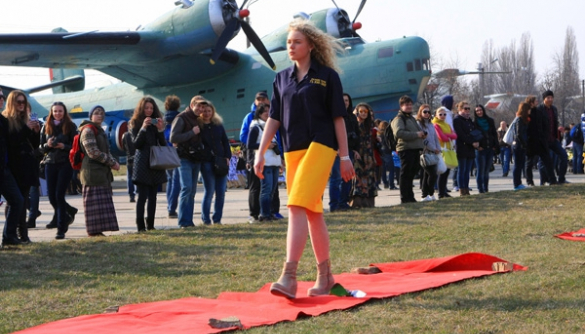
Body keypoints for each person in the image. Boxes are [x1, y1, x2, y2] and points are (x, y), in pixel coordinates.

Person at [254, 19, 354, 299]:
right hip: (292, 150)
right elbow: (273, 118)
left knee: (296, 206)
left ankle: (289, 276)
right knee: (312, 212)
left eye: (297, 42)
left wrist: (344, 156)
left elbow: (338, 118)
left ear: (311, 45)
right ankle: (325, 277)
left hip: (321, 146)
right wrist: (260, 152)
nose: (291, 46)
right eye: (288, 43)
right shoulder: (281, 78)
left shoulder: (327, 76)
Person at [2, 90, 40, 243]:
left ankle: (22, 235)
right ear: (11, 103)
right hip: (14, 166)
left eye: (24, 102)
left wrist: (36, 132)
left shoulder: (26, 120)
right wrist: (26, 128)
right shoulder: (7, 120)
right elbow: (13, 142)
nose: (22, 105)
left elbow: (33, 145)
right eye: (18, 102)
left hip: (27, 166)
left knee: (22, 200)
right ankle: (14, 234)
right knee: (16, 201)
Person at [79, 105, 120, 237]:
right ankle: (93, 231)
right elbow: (93, 152)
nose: (100, 115)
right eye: (96, 113)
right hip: (91, 172)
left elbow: (105, 151)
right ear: (91, 116)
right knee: (93, 205)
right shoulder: (88, 130)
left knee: (101, 204)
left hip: (100, 171)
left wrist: (112, 161)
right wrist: (112, 162)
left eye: (102, 113)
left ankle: (98, 230)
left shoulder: (99, 130)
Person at [40, 102, 79, 239]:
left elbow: (76, 146)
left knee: (59, 195)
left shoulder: (70, 126)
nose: (57, 113)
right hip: (50, 163)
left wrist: (64, 146)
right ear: (51, 112)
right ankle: (68, 212)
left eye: (60, 111)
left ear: (64, 112)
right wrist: (47, 144)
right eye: (55, 111)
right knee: (51, 197)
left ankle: (61, 228)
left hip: (65, 163)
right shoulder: (46, 126)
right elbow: (41, 148)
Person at [130, 97, 167, 232]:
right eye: (146, 108)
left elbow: (163, 144)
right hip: (142, 162)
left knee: (153, 196)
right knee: (142, 196)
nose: (149, 111)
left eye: (151, 108)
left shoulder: (155, 124)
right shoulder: (135, 123)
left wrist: (160, 130)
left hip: (155, 162)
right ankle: (140, 225)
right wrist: (143, 128)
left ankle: (150, 224)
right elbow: (136, 144)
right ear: (141, 109)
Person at [170, 97, 206, 228]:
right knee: (186, 188)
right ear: (192, 105)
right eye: (198, 106)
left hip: (195, 158)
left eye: (203, 107)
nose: (201, 109)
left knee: (192, 191)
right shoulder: (181, 118)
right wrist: (192, 133)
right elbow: (173, 137)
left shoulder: (197, 119)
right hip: (184, 158)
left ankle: (188, 221)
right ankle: (183, 222)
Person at [247, 103, 282, 221]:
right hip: (265, 163)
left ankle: (270, 212)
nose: (267, 113)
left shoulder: (270, 127)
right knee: (266, 190)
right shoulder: (256, 127)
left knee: (272, 190)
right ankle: (264, 214)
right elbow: (250, 144)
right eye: (264, 111)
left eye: (269, 111)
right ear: (259, 114)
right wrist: (267, 146)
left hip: (274, 162)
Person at [1, 90, 27, 246]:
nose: (1, 99)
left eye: (2, 97)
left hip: (4, 169)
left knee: (17, 200)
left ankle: (9, 237)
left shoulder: (3, 121)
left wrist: (28, 127)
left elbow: (14, 141)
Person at [198, 102, 231, 225]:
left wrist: (227, 156)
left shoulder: (218, 125)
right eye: (204, 111)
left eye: (209, 111)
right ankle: (206, 219)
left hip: (221, 160)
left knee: (221, 192)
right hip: (207, 162)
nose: (206, 113)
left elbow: (225, 141)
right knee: (209, 191)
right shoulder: (199, 127)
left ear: (213, 112)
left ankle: (217, 219)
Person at [391, 95, 425, 204]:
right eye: (406, 105)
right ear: (401, 106)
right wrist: (416, 134)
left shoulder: (411, 118)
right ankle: (404, 197)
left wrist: (422, 135)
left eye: (410, 104)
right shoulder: (399, 119)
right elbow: (399, 133)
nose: (409, 107)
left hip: (414, 149)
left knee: (411, 174)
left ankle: (410, 196)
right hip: (405, 149)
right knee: (405, 174)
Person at [331, 92, 359, 211]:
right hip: (337, 152)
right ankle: (334, 205)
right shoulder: (334, 116)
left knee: (347, 178)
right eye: (342, 100)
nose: (345, 103)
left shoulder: (352, 117)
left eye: (347, 100)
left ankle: (343, 203)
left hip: (350, 152)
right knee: (336, 179)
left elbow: (357, 134)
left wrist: (356, 150)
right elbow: (331, 134)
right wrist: (335, 148)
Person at [525, 94, 557, 185]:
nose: (537, 102)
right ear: (531, 103)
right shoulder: (527, 113)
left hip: (541, 141)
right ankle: (529, 181)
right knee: (529, 163)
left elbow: (545, 124)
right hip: (531, 142)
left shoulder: (539, 111)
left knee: (548, 161)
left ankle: (552, 180)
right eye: (535, 101)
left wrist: (545, 136)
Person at [350, 102, 377, 208]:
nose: (363, 113)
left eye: (365, 111)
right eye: (361, 111)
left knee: (369, 178)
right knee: (358, 178)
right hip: (358, 154)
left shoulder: (370, 125)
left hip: (369, 155)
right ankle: (357, 203)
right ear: (357, 112)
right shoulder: (354, 124)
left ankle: (368, 203)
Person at [453, 101, 478, 196]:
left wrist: (477, 141)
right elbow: (461, 135)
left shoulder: (469, 120)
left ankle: (466, 188)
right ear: (460, 109)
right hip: (462, 147)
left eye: (468, 108)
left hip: (470, 148)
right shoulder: (457, 120)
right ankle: (461, 189)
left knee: (467, 170)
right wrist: (472, 141)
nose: (467, 110)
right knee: (461, 169)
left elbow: (474, 132)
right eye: (465, 108)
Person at [416, 104, 441, 201]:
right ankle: (429, 193)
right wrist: (432, 148)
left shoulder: (431, 124)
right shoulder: (419, 124)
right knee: (431, 174)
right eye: (424, 112)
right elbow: (423, 140)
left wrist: (437, 148)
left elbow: (435, 138)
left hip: (433, 152)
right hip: (425, 152)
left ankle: (426, 195)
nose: (427, 114)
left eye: (428, 112)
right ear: (420, 113)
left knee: (427, 175)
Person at [473, 104, 499, 193]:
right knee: (480, 170)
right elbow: (474, 136)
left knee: (487, 171)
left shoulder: (490, 121)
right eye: (477, 111)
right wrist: (477, 147)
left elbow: (494, 134)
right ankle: (481, 189)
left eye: (480, 110)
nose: (479, 112)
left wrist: (495, 145)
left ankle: (486, 188)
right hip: (481, 150)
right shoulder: (474, 123)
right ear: (475, 113)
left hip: (490, 148)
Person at [433, 106, 457, 198]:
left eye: (444, 114)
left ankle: (444, 191)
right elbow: (442, 137)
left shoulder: (446, 124)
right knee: (442, 172)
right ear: (436, 115)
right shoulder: (435, 124)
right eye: (440, 114)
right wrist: (449, 135)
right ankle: (440, 193)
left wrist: (448, 135)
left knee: (446, 172)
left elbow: (455, 135)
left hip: (448, 150)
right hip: (441, 151)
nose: (443, 116)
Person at [163, 95, 181, 218]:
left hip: (165, 152)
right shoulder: (180, 118)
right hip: (177, 151)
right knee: (177, 181)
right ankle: (172, 208)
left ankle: (169, 204)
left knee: (170, 180)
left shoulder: (162, 120)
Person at [512, 102, 530, 190]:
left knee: (520, 164)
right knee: (517, 165)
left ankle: (518, 182)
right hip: (518, 145)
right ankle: (516, 183)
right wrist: (524, 144)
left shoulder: (523, 120)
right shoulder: (519, 120)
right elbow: (519, 134)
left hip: (521, 145)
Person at [378, 120, 396, 190]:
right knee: (391, 170)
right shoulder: (388, 133)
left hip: (381, 152)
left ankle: (385, 183)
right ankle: (391, 185)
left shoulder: (378, 134)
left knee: (383, 169)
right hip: (388, 151)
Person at [121, 129, 136, 202]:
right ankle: (138, 192)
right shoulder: (137, 135)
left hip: (128, 158)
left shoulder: (125, 135)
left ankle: (131, 195)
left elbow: (123, 147)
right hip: (137, 158)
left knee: (130, 177)